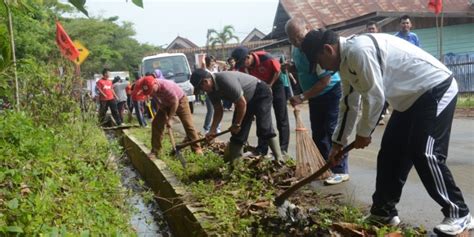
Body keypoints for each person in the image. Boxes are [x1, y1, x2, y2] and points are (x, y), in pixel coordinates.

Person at [301, 28, 473, 235]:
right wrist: (338, 142)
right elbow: (348, 103)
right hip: (409, 99)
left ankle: (459, 213)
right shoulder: (346, 62)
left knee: (425, 153)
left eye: (319, 62)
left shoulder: (359, 51)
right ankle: (383, 211)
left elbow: (375, 97)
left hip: (435, 88)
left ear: (328, 49)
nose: (322, 67)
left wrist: (364, 133)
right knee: (390, 153)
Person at [285, 18, 350, 185]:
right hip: (315, 96)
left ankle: (340, 170)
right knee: (319, 134)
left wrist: (302, 97)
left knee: (331, 131)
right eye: (293, 39)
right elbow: (304, 69)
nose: (297, 42)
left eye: (299, 37)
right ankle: (323, 167)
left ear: (307, 28)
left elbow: (325, 81)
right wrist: (291, 67)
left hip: (329, 93)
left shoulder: (315, 48)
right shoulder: (297, 49)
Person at [190, 69, 282, 162]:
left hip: (260, 92)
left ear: (206, 81)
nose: (203, 91)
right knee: (237, 134)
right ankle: (236, 164)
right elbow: (218, 110)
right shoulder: (211, 91)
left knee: (264, 127)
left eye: (202, 88)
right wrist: (212, 131)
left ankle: (279, 159)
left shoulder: (224, 80)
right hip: (245, 100)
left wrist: (237, 124)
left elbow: (241, 104)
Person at [231, 46, 290, 156]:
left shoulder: (266, 57)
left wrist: (270, 85)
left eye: (244, 63)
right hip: (259, 89)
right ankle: (262, 149)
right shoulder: (243, 68)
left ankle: (282, 149)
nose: (243, 66)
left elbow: (277, 71)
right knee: (262, 117)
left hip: (275, 84)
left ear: (248, 56)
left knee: (281, 117)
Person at [136, 75, 203, 155]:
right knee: (156, 123)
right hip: (165, 104)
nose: (151, 93)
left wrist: (170, 118)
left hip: (180, 100)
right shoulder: (152, 90)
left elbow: (175, 102)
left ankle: (197, 148)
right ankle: (155, 150)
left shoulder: (166, 86)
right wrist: (163, 111)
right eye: (149, 92)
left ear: (155, 83)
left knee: (188, 124)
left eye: (151, 90)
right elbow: (158, 101)